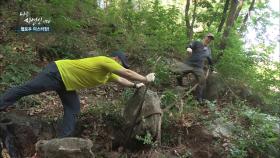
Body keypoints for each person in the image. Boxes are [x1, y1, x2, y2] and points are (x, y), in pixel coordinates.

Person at [0, 51, 155, 137]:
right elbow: (126, 72)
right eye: (120, 63)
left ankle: (62, 140)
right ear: (115, 59)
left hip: (66, 84)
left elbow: (121, 80)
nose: (120, 66)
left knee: (73, 109)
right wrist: (144, 78)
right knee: (27, 89)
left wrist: (136, 85)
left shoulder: (108, 74)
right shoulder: (105, 61)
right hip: (57, 73)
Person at [177, 33, 214, 103]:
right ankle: (180, 85)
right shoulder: (197, 42)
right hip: (188, 64)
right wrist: (189, 48)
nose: (209, 40)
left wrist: (212, 68)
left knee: (202, 81)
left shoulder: (209, 50)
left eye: (211, 39)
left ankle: (198, 98)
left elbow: (210, 60)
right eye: (208, 38)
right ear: (205, 37)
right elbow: (190, 45)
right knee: (178, 73)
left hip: (198, 67)